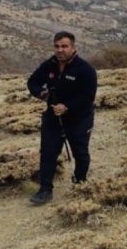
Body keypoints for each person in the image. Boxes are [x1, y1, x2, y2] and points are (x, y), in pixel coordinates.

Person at [26, 31, 98, 205]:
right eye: (57, 46)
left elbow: (88, 96)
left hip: (79, 118)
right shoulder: (49, 65)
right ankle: (45, 190)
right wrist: (40, 93)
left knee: (80, 153)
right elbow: (32, 82)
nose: (60, 50)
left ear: (73, 48)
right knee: (48, 153)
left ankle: (80, 181)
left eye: (64, 46)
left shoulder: (85, 69)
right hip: (52, 118)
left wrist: (67, 107)